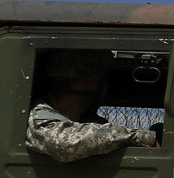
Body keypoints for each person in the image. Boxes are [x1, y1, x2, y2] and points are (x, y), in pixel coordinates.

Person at [26, 50, 157, 162]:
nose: (102, 85)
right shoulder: (39, 113)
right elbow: (64, 143)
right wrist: (139, 137)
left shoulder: (88, 120)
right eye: (96, 78)